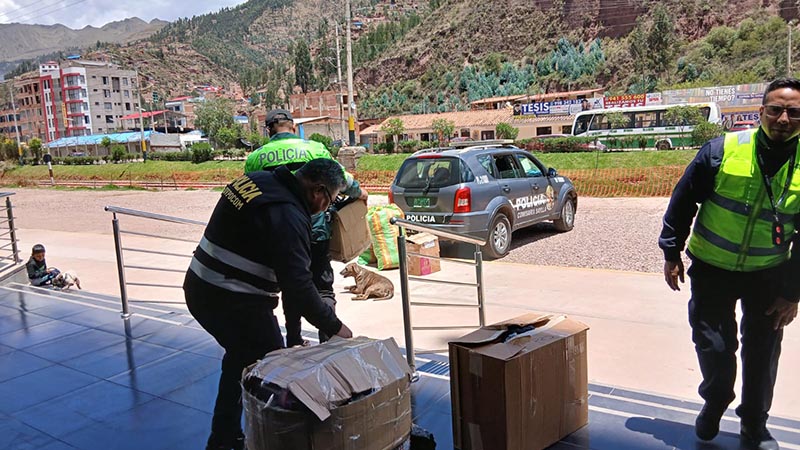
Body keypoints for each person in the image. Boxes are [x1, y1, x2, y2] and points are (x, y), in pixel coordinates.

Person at [659, 78, 800, 450]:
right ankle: (716, 399)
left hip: (768, 275)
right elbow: (683, 200)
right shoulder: (723, 150)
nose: (784, 118)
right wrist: (671, 252)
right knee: (714, 347)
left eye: (794, 112)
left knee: (762, 354)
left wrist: (793, 292)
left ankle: (755, 425)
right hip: (712, 269)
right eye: (776, 110)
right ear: (761, 113)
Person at [184, 158, 354, 450]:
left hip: (202, 285)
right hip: (229, 297)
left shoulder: (261, 180)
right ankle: (279, 440)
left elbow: (289, 285)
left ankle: (224, 437)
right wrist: (336, 327)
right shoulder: (288, 215)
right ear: (318, 191)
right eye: (331, 200)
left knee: (241, 357)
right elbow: (298, 287)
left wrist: (295, 337)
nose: (327, 208)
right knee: (270, 370)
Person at [245, 109, 367, 347]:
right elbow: (339, 178)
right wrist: (360, 193)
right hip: (316, 231)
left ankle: (294, 340)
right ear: (293, 128)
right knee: (322, 287)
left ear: (269, 131)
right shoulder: (315, 149)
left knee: (292, 283)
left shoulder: (256, 157)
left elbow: (254, 192)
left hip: (278, 236)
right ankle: (329, 338)